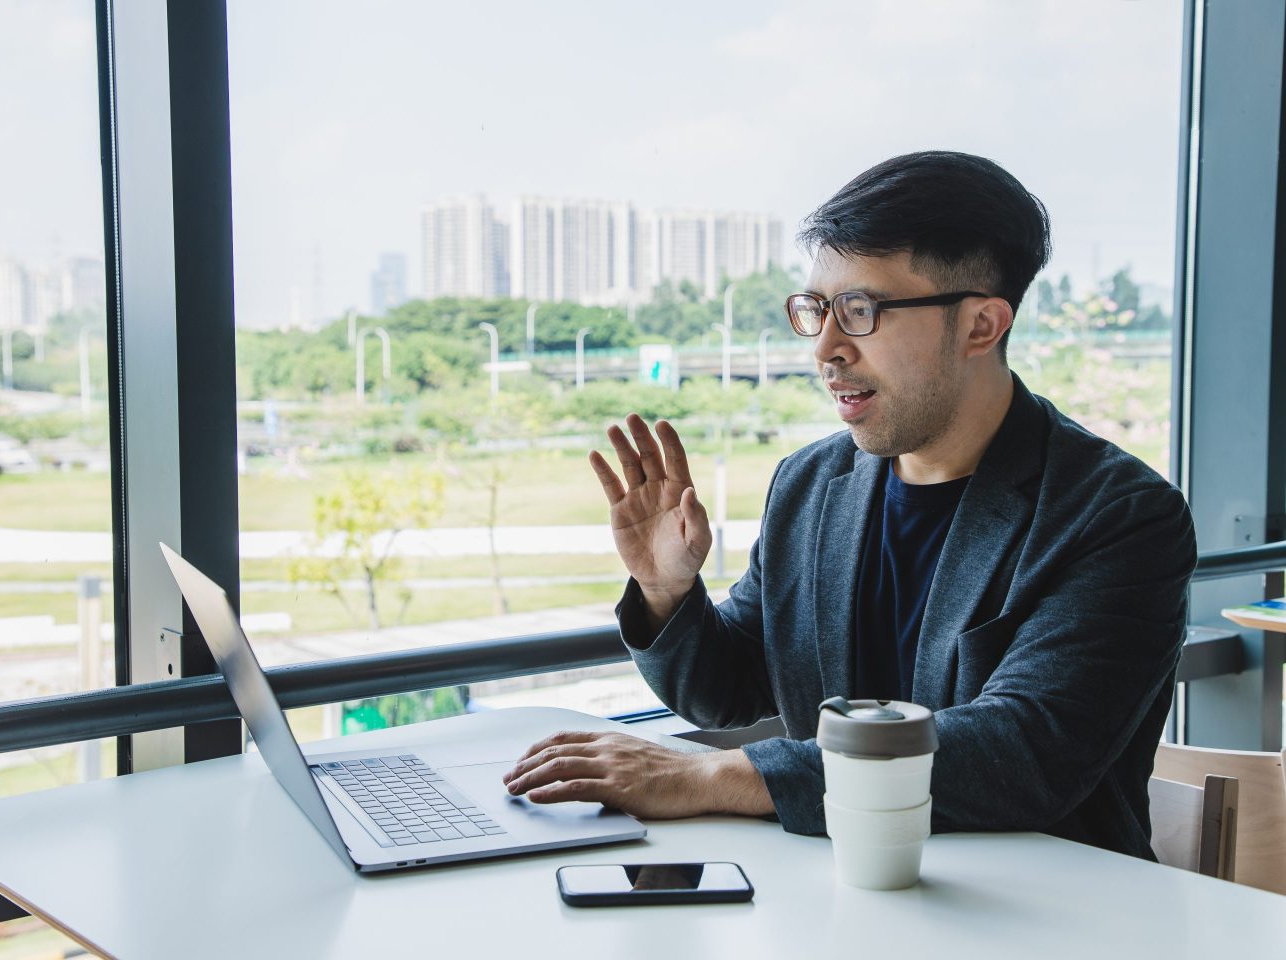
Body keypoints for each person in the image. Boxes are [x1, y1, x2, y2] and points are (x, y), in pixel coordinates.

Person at [501, 151, 1197, 859]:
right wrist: (666, 589)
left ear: (981, 326)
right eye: (817, 310)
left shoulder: (1120, 517)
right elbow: (731, 690)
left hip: (1044, 914)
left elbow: (1022, 752)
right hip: (839, 896)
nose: (826, 349)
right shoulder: (810, 484)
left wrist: (712, 774)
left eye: (861, 311)